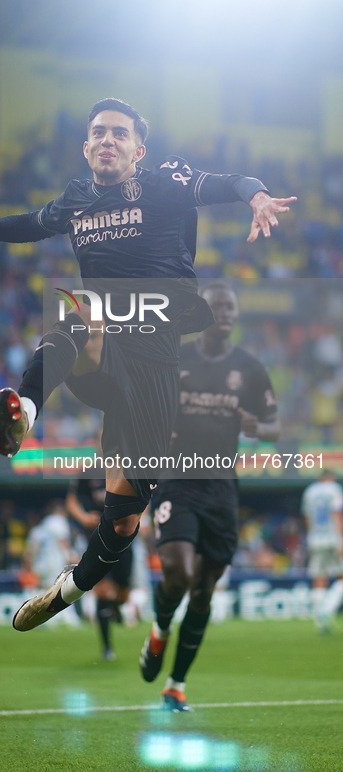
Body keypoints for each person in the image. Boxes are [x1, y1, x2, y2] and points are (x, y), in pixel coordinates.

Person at [0, 98, 295, 633]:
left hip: (156, 357)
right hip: (106, 343)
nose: (108, 140)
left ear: (138, 149)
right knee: (79, 317)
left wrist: (259, 197)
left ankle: (69, 589)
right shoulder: (76, 198)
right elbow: (35, 223)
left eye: (119, 134)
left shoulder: (166, 181)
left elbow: (231, 180)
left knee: (125, 515)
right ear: (86, 148)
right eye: (99, 134)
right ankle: (25, 412)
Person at [139, 281, 280, 711]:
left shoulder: (251, 369)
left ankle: (176, 685)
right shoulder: (173, 358)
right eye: (220, 306)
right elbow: (145, 407)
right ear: (204, 311)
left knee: (203, 590)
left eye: (232, 307)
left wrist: (259, 430)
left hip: (221, 488)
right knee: (178, 576)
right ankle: (160, 628)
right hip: (177, 480)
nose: (227, 313)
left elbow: (275, 427)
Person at [66, 476, 132, 658]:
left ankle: (115, 606)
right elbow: (71, 501)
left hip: (124, 538)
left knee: (123, 594)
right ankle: (107, 647)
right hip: (97, 536)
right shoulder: (88, 473)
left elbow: (144, 496)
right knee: (102, 591)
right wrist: (85, 518)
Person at [22, 500, 80, 627]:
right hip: (54, 562)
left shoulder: (39, 528)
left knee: (45, 589)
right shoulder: (58, 522)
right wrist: (72, 556)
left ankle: (44, 617)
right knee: (60, 589)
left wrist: (29, 567)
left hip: (40, 563)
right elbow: (63, 542)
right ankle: (64, 618)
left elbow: (31, 549)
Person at [301, 469, 343, 633]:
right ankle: (327, 609)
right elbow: (337, 514)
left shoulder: (309, 491)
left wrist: (310, 537)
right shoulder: (334, 489)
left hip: (315, 539)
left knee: (319, 577)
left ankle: (319, 620)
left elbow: (308, 517)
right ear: (330, 477)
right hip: (333, 538)